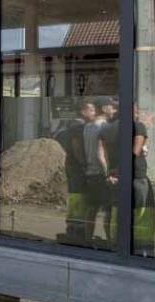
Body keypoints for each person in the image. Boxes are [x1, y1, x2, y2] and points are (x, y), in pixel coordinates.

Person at [99, 103, 155, 257]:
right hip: (136, 175)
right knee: (142, 209)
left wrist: (111, 172)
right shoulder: (138, 127)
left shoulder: (107, 128)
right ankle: (142, 247)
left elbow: (102, 154)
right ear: (133, 112)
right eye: (137, 110)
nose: (138, 113)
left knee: (118, 209)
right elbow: (135, 151)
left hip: (116, 177)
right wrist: (123, 168)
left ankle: (116, 244)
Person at [57, 99, 95, 246]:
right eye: (91, 110)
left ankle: (73, 229)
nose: (94, 113)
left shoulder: (73, 126)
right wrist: (84, 165)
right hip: (77, 170)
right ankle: (77, 231)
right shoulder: (78, 127)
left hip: (73, 169)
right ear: (83, 111)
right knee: (79, 200)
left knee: (75, 200)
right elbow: (77, 147)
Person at [82, 97, 115, 245]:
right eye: (111, 106)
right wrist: (108, 173)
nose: (114, 110)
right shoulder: (104, 127)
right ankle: (109, 239)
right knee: (108, 209)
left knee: (92, 207)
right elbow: (101, 153)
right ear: (103, 108)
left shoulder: (88, 126)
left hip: (90, 172)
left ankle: (88, 238)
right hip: (102, 173)